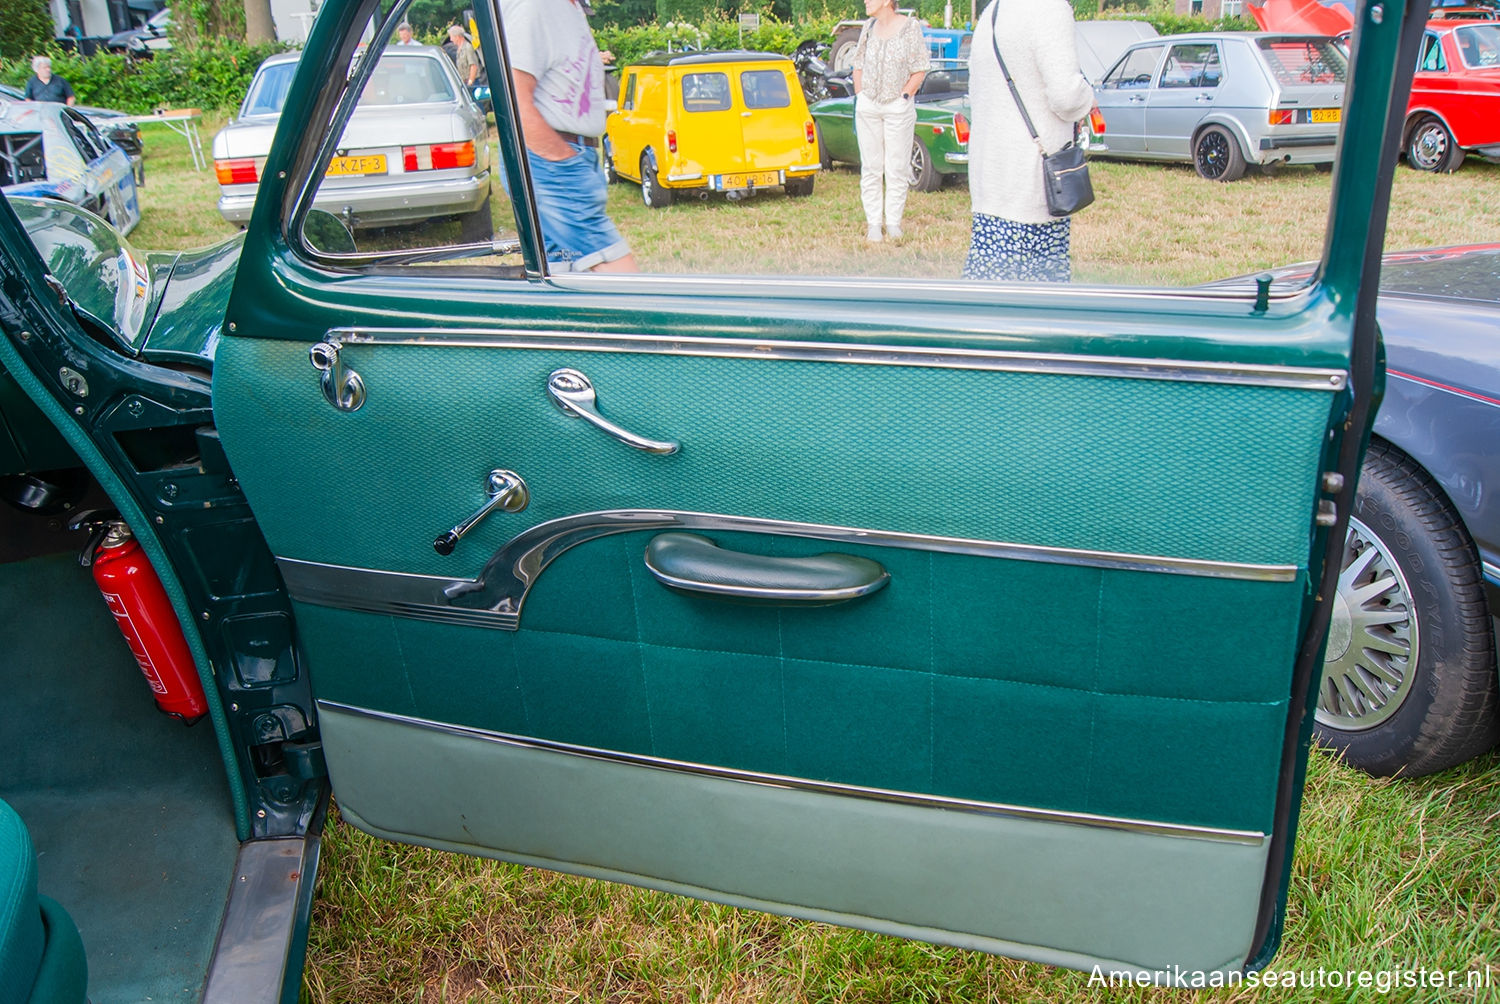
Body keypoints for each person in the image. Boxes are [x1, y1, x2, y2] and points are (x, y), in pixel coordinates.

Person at [498, 0, 637, 272]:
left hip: (566, 157)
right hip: (550, 162)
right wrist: (562, 159)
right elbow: (512, 99)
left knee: (559, 277)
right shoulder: (535, 6)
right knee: (623, 280)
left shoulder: (569, 8)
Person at [963, 0, 1092, 282]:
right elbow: (1066, 96)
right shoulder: (1050, 9)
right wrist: (1089, 97)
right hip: (1032, 184)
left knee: (988, 309)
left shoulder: (993, 11)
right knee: (1038, 313)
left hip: (991, 181)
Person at [851, 0, 928, 242]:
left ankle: (893, 222)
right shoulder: (868, 27)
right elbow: (858, 64)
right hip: (869, 104)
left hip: (897, 106)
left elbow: (920, 68)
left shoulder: (910, 27)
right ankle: (874, 223)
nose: (866, 1)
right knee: (871, 167)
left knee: (896, 167)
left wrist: (905, 95)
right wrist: (860, 94)